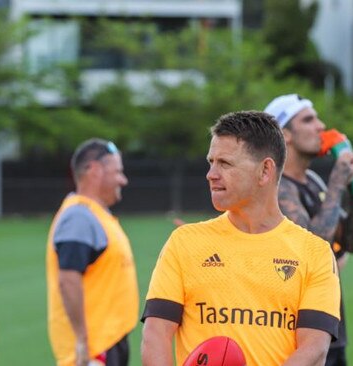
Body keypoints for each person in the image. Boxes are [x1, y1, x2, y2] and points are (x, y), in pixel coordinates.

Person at [141, 111, 341, 366]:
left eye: (225, 163)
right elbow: (155, 335)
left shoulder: (315, 253)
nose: (211, 173)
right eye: (210, 161)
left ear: (265, 171)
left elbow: (314, 349)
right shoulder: (184, 242)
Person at [264, 94, 353, 366]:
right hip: (297, 339)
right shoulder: (276, 188)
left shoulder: (312, 180)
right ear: (284, 133)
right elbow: (311, 251)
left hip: (330, 326)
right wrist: (336, 182)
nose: (321, 126)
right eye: (309, 120)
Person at [46, 138, 139, 366]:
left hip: (106, 345)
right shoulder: (79, 216)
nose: (123, 180)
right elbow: (68, 279)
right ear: (95, 170)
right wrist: (82, 341)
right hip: (94, 352)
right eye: (118, 171)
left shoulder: (95, 214)